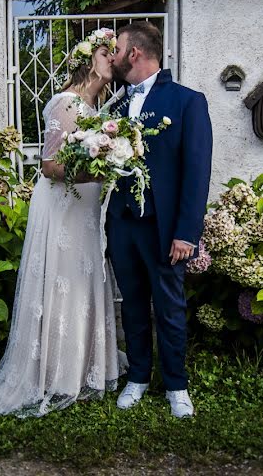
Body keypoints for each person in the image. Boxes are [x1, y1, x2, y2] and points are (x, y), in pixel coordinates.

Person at [0, 30, 125, 417]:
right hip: (63, 208)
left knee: (84, 279)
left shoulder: (98, 110)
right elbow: (51, 166)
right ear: (90, 60)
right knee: (63, 280)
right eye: (108, 54)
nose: (114, 60)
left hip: (84, 210)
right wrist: (101, 171)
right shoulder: (66, 103)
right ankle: (56, 373)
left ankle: (86, 367)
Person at [105, 21, 213, 418]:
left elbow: (196, 172)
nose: (112, 56)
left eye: (116, 49)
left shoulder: (187, 102)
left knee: (169, 307)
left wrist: (187, 232)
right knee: (131, 304)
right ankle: (137, 377)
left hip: (164, 227)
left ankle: (177, 385)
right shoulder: (113, 106)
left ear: (134, 53)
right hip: (122, 223)